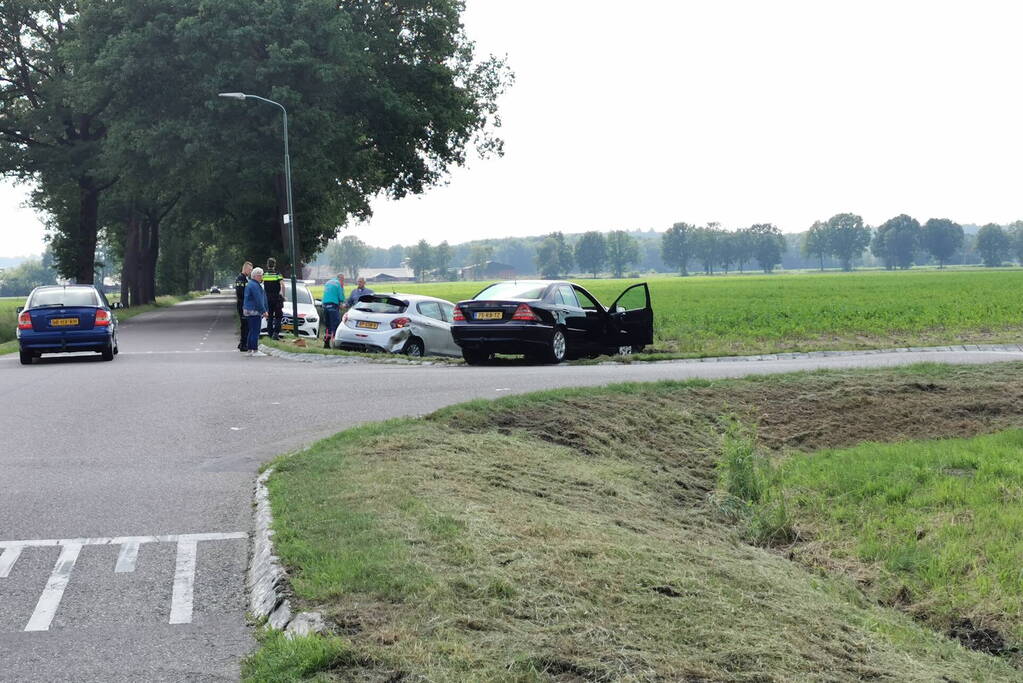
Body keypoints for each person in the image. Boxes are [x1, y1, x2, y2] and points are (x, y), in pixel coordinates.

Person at [242, 267, 269, 356]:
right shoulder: (255, 285)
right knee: (256, 331)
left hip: (248, 310)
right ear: (256, 276)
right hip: (254, 310)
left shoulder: (250, 284)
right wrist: (264, 311)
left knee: (251, 330)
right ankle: (255, 350)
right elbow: (258, 300)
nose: (262, 277)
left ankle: (250, 349)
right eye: (261, 275)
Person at [321, 272, 345, 349]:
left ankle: (326, 343)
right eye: (343, 280)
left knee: (328, 326)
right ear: (340, 278)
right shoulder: (338, 284)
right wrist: (341, 302)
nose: (343, 281)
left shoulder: (328, 282)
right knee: (335, 325)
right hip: (333, 306)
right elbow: (341, 296)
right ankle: (334, 344)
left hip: (325, 305)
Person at [262, 257, 285, 340]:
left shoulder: (264, 274)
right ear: (274, 265)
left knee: (270, 316)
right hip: (276, 298)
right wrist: (282, 295)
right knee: (279, 316)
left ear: (267, 265)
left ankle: (270, 333)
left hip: (267, 298)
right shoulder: (277, 274)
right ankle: (276, 333)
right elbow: (282, 285)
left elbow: (261, 284)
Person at [234, 261, 253, 351]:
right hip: (242, 304)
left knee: (245, 325)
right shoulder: (241, 279)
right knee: (245, 325)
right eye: (250, 270)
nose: (251, 271)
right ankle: (243, 345)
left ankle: (242, 342)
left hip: (244, 304)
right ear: (245, 269)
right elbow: (240, 292)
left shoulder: (244, 278)